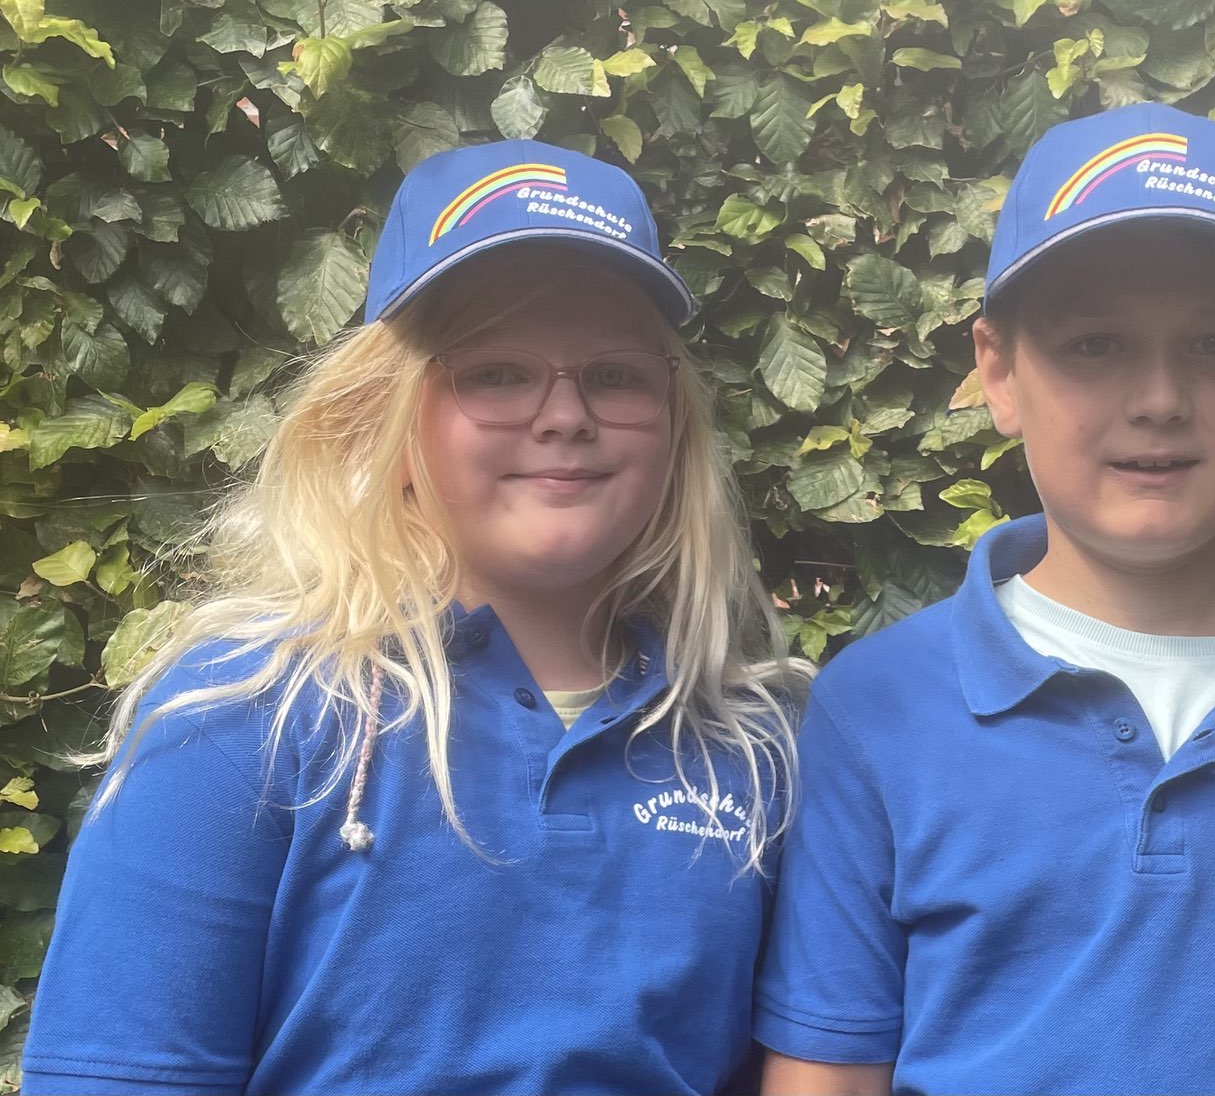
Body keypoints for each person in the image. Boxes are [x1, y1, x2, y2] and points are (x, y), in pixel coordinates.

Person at [754, 103, 1215, 1095]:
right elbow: (828, 1074)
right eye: (1094, 345)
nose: (1159, 399)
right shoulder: (875, 707)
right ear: (998, 373)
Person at [25, 140, 806, 1095]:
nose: (566, 415)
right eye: (497, 372)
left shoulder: (750, 745)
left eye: (616, 375)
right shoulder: (244, 715)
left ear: (674, 422)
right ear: (384, 420)